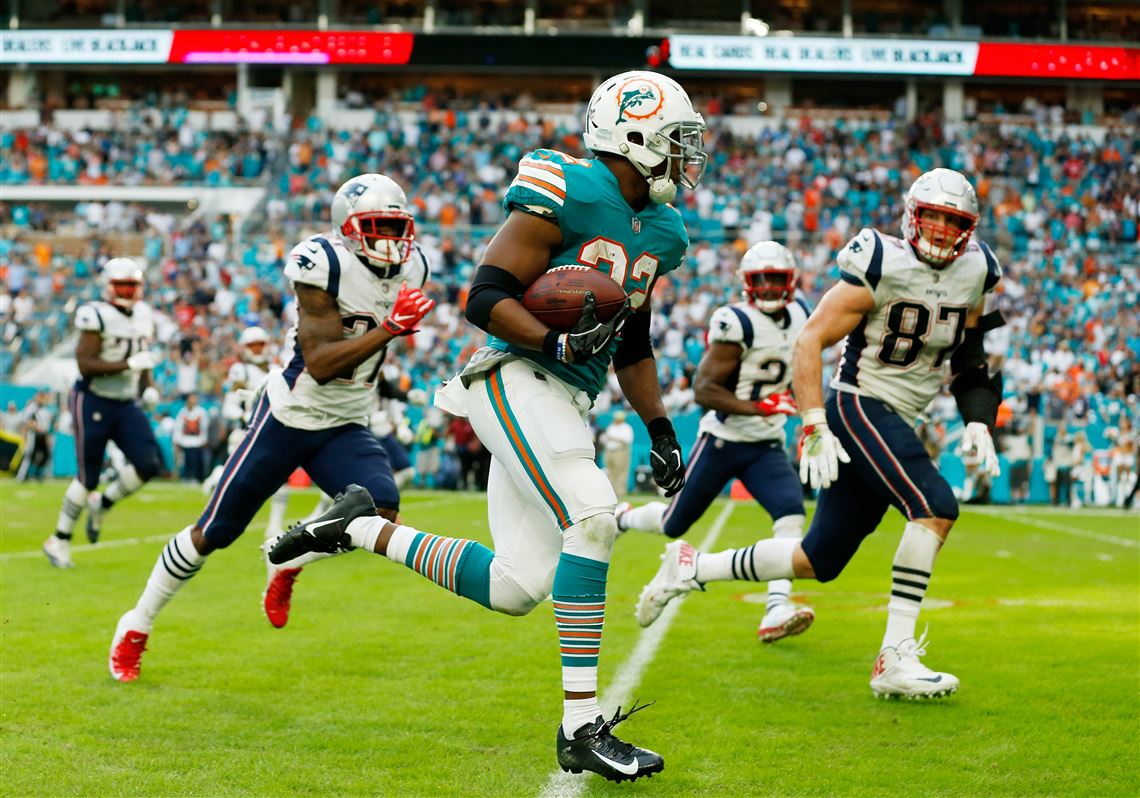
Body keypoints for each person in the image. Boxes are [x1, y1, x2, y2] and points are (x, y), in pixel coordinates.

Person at [269, 70, 705, 782]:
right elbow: (485, 294)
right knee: (592, 516)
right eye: (677, 141)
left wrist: (658, 427)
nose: (687, 158)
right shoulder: (566, 185)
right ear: (634, 136)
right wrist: (554, 341)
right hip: (512, 375)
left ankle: (354, 527)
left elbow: (635, 341)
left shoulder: (663, 230)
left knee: (516, 587)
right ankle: (579, 728)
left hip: (568, 398)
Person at [637, 168, 1004, 700]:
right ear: (912, 217)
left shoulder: (977, 270)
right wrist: (813, 424)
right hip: (861, 402)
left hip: (903, 415)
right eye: (934, 218)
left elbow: (971, 354)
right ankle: (894, 657)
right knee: (935, 506)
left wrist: (978, 417)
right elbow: (809, 341)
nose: (944, 231)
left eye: (955, 221)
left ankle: (692, 567)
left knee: (818, 559)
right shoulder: (880, 258)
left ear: (968, 228)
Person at [108, 173, 435, 679]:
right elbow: (321, 363)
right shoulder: (322, 264)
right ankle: (136, 624)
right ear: (348, 229)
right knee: (213, 532)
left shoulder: (414, 265)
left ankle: (288, 561)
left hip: (347, 421)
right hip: (290, 416)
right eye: (377, 227)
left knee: (381, 514)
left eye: (397, 227)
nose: (391, 241)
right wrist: (392, 328)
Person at [620, 241, 815, 642]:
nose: (770, 289)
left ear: (792, 281)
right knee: (675, 523)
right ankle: (623, 517)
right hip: (724, 438)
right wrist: (761, 407)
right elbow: (704, 390)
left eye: (777, 280)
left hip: (766, 443)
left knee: (791, 514)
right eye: (761, 281)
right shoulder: (736, 322)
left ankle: (776, 608)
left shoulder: (802, 314)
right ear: (746, 283)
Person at [44, 258, 163, 567]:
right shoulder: (95, 314)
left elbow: (144, 358)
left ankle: (104, 504)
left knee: (149, 463)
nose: (127, 291)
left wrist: (147, 385)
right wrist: (128, 366)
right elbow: (85, 363)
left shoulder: (145, 315)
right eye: (121, 285)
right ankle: (59, 539)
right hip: (93, 398)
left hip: (125, 402)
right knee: (88, 476)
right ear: (108, 287)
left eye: (132, 285)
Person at [173, 393, 209, 483]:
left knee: (196, 461)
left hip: (197, 441)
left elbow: (204, 427)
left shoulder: (201, 412)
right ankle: (186, 477)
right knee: (186, 461)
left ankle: (195, 477)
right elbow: (178, 427)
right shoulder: (182, 412)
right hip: (185, 441)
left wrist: (204, 439)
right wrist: (177, 440)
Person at [600, 410, 634, 497]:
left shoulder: (626, 427)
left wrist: (613, 438)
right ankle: (611, 492)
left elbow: (627, 440)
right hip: (609, 451)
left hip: (620, 452)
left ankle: (620, 492)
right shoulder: (611, 427)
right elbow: (604, 439)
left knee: (621, 472)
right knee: (610, 471)